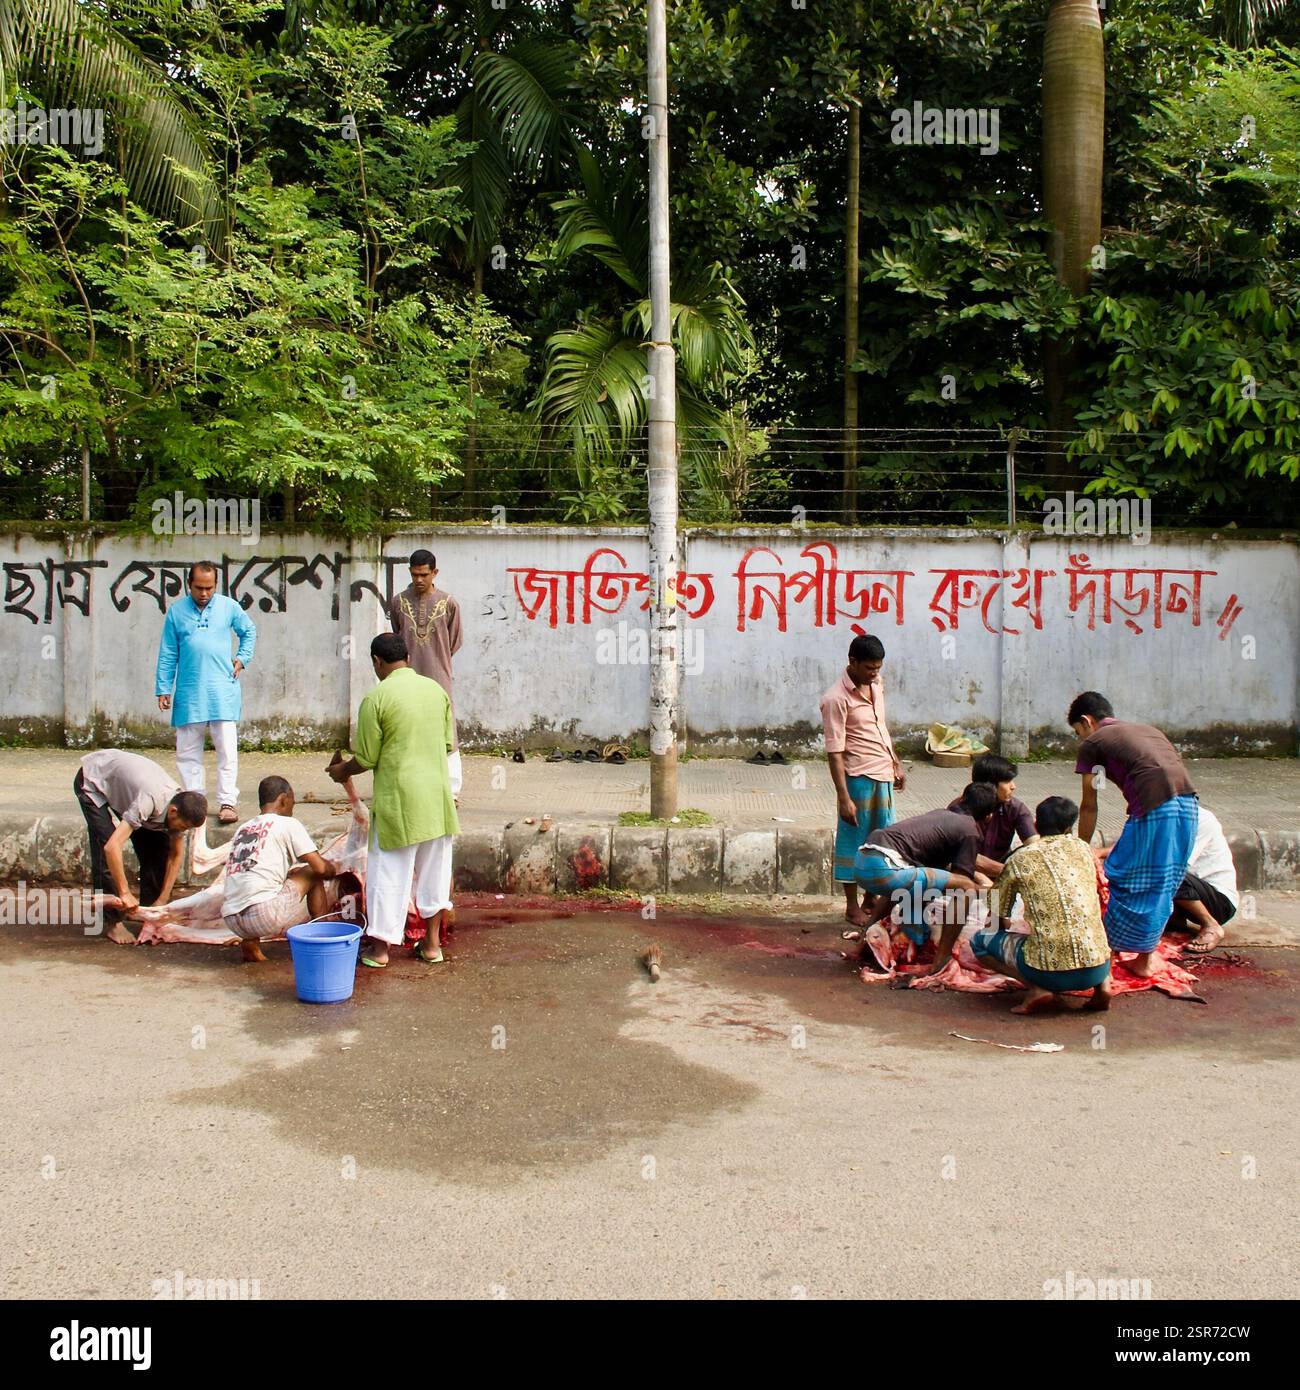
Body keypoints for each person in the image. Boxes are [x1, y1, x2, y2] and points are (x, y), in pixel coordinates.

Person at [327, 632, 459, 969]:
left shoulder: (376, 699)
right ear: (409, 658)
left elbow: (367, 758)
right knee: (435, 875)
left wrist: (343, 770)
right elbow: (447, 745)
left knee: (388, 875)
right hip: (437, 800)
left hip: (398, 802)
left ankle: (381, 951)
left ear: (376, 662)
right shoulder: (437, 693)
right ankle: (431, 946)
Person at [1069, 691, 1199, 978]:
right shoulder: (1147, 730)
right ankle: (1143, 957)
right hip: (1189, 805)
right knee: (1163, 881)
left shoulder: (1094, 742)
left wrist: (1081, 848)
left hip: (1155, 808)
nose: (1080, 739)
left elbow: (1090, 804)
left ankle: (1108, 952)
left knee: (1119, 875)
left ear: (1086, 721)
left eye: (1078, 732)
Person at [972, 796, 1113, 1015]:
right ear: (1069, 828)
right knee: (1093, 933)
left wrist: (997, 932)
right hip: (1098, 966)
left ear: (1037, 825)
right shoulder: (1084, 850)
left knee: (980, 942)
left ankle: (1038, 988)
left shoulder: (1021, 858)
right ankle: (1103, 985)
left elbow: (997, 911)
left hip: (1048, 972)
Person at [850, 783, 997, 974]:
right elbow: (961, 880)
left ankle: (862, 944)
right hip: (885, 870)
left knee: (903, 885)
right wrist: (990, 892)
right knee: (965, 889)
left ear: (961, 799)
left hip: (862, 862)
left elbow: (938, 873)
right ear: (989, 816)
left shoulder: (941, 815)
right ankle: (941, 961)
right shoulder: (969, 830)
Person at [155, 561, 257, 824]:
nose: (204, 593)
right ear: (189, 584)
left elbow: (249, 631)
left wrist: (242, 658)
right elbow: (168, 653)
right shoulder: (176, 613)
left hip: (222, 691)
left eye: (209, 588)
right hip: (189, 693)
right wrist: (163, 688)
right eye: (199, 588)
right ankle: (195, 804)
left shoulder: (228, 607)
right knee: (187, 753)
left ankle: (227, 803)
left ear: (215, 586)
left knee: (227, 751)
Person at [73, 750, 207, 944]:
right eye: (183, 826)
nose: (182, 831)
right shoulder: (149, 800)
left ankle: (146, 913)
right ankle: (113, 923)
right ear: (173, 811)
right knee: (105, 842)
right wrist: (125, 893)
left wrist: (161, 901)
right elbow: (112, 847)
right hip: (94, 780)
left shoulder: (179, 805)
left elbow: (175, 856)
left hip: (126, 791)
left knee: (158, 848)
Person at [820, 634, 905, 929]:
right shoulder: (836, 699)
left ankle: (871, 898)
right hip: (857, 778)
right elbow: (834, 752)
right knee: (853, 842)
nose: (874, 674)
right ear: (852, 663)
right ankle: (851, 906)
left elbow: (882, 727)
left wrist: (895, 762)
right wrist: (844, 798)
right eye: (869, 668)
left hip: (883, 773)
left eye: (878, 668)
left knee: (881, 842)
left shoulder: (876, 686)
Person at [222, 777, 340, 963]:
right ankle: (322, 937)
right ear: (284, 799)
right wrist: (333, 870)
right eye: (293, 800)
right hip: (262, 916)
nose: (293, 805)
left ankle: (250, 942)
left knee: (264, 883)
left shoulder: (244, 828)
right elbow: (319, 867)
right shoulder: (288, 824)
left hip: (231, 918)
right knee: (311, 873)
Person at [388, 548, 463, 789]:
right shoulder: (399, 602)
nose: (419, 580)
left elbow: (453, 641)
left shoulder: (448, 603)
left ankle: (451, 789)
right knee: (406, 725)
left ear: (434, 573)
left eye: (424, 574)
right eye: (414, 575)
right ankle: (411, 784)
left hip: (438, 675)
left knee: (444, 729)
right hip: (407, 676)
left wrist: (436, 658)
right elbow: (398, 636)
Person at [945, 753, 1037, 878]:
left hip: (1001, 871)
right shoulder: (960, 809)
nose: (1013, 786)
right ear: (990, 785)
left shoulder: (1016, 808)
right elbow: (964, 856)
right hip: (966, 872)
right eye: (1006, 781)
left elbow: (1034, 846)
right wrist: (1009, 872)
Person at [1168, 805, 1239, 954]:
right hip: (1190, 891)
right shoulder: (1155, 817)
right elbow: (1132, 848)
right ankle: (1175, 921)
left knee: (1165, 872)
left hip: (1220, 902)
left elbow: (1177, 865)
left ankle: (1211, 924)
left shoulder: (1200, 819)